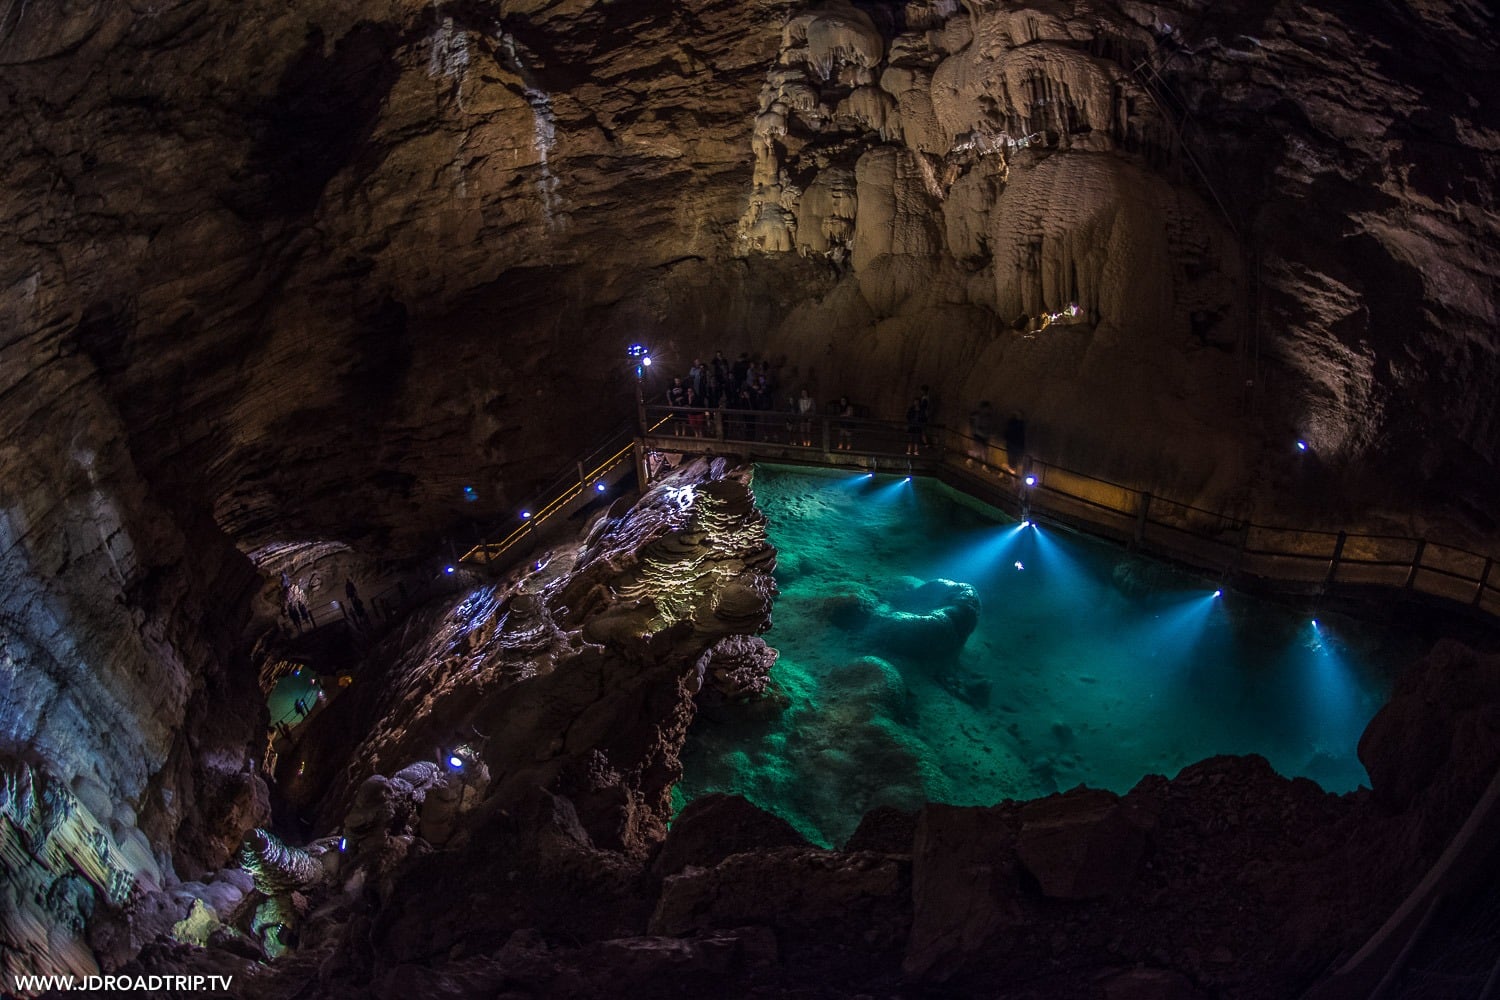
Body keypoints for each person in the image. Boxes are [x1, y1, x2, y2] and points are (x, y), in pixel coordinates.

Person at [1003, 410, 1027, 475]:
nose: (1021, 417)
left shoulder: (1020, 424)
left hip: (1017, 447)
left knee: (1015, 464)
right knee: (1013, 465)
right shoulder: (1013, 424)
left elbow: (1022, 437)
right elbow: (1009, 435)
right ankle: (1014, 484)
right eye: (1020, 415)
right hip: (1013, 447)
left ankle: (1003, 473)